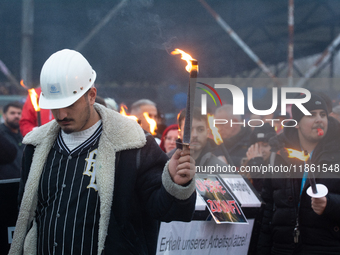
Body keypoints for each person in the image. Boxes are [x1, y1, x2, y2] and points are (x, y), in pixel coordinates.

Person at [9, 49, 196, 255]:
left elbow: (162, 210)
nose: (61, 114)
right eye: (55, 107)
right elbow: (27, 213)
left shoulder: (133, 143)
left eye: (70, 104)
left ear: (91, 95)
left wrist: (175, 183)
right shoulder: (35, 146)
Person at [257, 93, 340, 254]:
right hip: (283, 249)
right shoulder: (278, 156)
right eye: (311, 114)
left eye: (323, 114)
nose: (319, 119)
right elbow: (267, 211)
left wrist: (330, 205)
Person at [244, 123, 277, 193]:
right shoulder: (245, 166)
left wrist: (257, 164)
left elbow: (266, 193)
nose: (261, 150)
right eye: (257, 146)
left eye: (265, 145)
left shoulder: (279, 167)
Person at [0, 101, 24, 179]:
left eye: (19, 113)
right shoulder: (1, 135)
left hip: (23, 183)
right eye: (12, 113)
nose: (16, 116)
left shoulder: (25, 135)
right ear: (4, 116)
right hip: (5, 184)